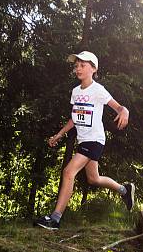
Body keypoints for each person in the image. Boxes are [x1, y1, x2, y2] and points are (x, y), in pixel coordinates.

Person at [35, 51, 134, 230]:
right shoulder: (75, 92)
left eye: (82, 65)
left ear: (93, 69)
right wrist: (59, 134)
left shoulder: (98, 90)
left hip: (94, 140)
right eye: (76, 66)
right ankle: (124, 190)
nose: (78, 69)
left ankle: (55, 219)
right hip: (83, 140)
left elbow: (118, 107)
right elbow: (74, 118)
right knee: (93, 179)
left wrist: (124, 111)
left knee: (68, 172)